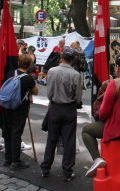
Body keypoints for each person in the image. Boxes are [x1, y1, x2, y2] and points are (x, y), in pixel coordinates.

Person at [40, 47, 82, 182]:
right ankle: (67, 172)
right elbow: (78, 97)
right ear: (74, 59)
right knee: (69, 141)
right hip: (69, 109)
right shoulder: (75, 74)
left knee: (51, 138)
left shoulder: (52, 71)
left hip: (55, 107)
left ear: (61, 57)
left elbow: (49, 93)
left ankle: (45, 168)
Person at [0, 54, 39, 169]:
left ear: (19, 62)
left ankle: (8, 158)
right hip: (20, 108)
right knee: (16, 133)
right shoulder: (28, 78)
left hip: (7, 106)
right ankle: (16, 161)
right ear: (29, 65)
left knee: (7, 132)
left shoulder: (10, 73)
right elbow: (35, 92)